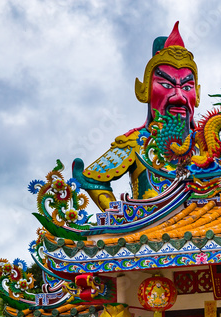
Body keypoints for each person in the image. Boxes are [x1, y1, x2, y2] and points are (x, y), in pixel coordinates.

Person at [72, 22, 200, 210]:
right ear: (145, 90)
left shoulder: (208, 146)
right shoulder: (135, 142)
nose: (179, 97)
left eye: (187, 87)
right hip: (150, 234)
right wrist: (120, 216)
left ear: (197, 93)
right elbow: (92, 179)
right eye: (166, 85)